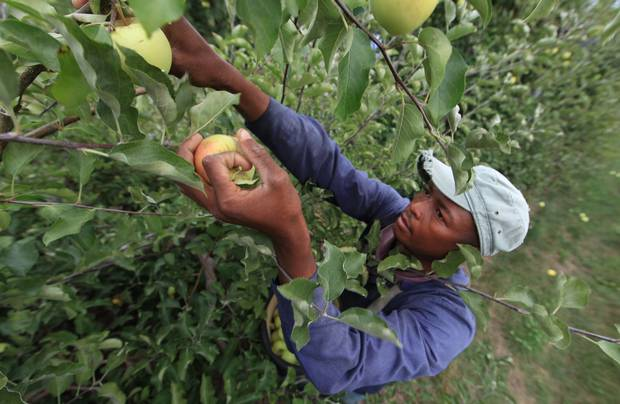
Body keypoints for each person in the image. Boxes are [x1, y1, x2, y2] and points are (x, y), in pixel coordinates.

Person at [70, 2, 530, 397]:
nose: (415, 205)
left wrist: (289, 230)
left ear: (467, 251)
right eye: (427, 193)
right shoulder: (396, 216)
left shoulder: (446, 322)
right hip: (294, 310)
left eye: (441, 213)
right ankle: (276, 342)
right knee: (283, 339)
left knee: (330, 384)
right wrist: (227, 80)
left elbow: (341, 364)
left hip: (340, 373)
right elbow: (329, 166)